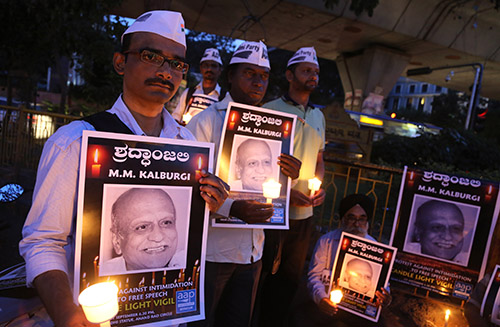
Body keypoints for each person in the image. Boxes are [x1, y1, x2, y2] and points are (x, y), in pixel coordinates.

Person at [19, 11, 229, 327]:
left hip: (170, 316)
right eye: (151, 56)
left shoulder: (188, 146)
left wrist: (209, 206)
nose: (165, 71)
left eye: (176, 64)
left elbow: (189, 239)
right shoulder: (76, 141)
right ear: (121, 62)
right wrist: (66, 313)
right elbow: (43, 241)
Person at [186, 40, 301, 327]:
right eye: (249, 73)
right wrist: (230, 207)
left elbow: (272, 185)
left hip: (253, 253)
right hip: (212, 254)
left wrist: (290, 174)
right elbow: (186, 185)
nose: (258, 82)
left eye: (263, 76)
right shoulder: (205, 123)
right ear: (230, 76)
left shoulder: (275, 129)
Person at [258, 46, 326, 326]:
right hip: (273, 211)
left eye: (316, 72)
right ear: (289, 74)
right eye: (306, 70)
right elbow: (256, 158)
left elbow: (321, 157)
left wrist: (321, 186)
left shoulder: (318, 116)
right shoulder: (269, 110)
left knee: (291, 278)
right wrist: (286, 193)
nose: (313, 76)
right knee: (264, 274)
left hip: (304, 215)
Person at [289, 194, 391, 327]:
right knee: (299, 318)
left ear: (367, 222)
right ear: (342, 219)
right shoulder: (327, 241)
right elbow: (314, 277)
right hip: (329, 304)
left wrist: (385, 297)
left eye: (362, 218)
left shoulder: (374, 247)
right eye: (351, 217)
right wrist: (322, 299)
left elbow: (382, 283)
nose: (356, 223)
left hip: (359, 308)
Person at [100, 188, 185, 274]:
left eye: (166, 222)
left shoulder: (191, 262)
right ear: (117, 241)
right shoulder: (100, 276)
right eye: (142, 227)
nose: (158, 237)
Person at [172, 48, 224, 124]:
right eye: (206, 65)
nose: (209, 69)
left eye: (213, 66)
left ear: (220, 70)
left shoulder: (224, 97)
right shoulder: (189, 93)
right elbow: (176, 117)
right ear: (201, 68)